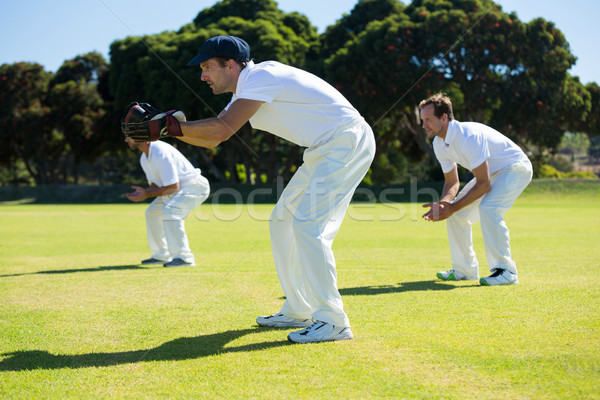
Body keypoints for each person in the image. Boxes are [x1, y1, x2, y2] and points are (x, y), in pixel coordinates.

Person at [161, 35, 375, 343]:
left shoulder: (262, 76)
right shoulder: (245, 90)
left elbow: (220, 130)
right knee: (282, 220)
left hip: (346, 140)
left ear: (231, 65)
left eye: (207, 67)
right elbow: (214, 137)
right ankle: (299, 308)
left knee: (307, 225)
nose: (203, 76)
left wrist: (170, 127)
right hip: (324, 148)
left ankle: (333, 321)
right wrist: (168, 130)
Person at [419, 93, 533, 286]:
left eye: (428, 119)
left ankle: (506, 271)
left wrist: (452, 207)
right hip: (493, 173)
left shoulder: (468, 136)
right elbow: (452, 182)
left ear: (444, 117)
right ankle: (465, 269)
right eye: (422, 120)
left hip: (515, 167)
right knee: (456, 213)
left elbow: (484, 184)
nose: (424, 125)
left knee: (489, 208)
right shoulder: (439, 143)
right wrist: (445, 203)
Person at [125, 137, 210, 267]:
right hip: (176, 190)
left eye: (129, 136)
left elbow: (173, 186)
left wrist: (147, 194)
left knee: (171, 210)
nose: (126, 140)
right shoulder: (144, 158)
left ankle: (184, 258)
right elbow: (156, 186)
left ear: (142, 136)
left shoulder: (160, 151)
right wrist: (144, 192)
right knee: (152, 213)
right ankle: (162, 255)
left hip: (195, 186)